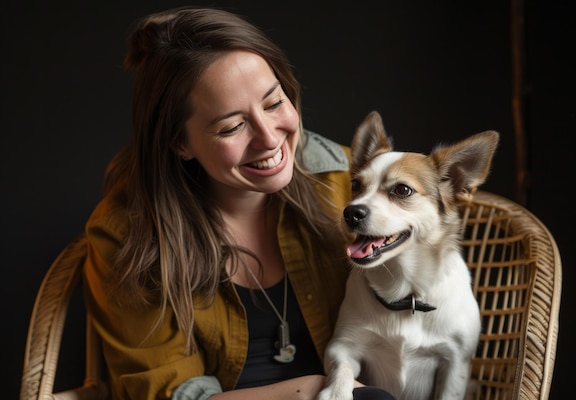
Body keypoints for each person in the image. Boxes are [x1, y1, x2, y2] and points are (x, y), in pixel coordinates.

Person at [82, 5, 397, 400]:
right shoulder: (126, 236)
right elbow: (169, 395)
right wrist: (314, 390)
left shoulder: (344, 183)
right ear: (179, 143)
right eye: (232, 126)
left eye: (273, 102)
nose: (269, 138)